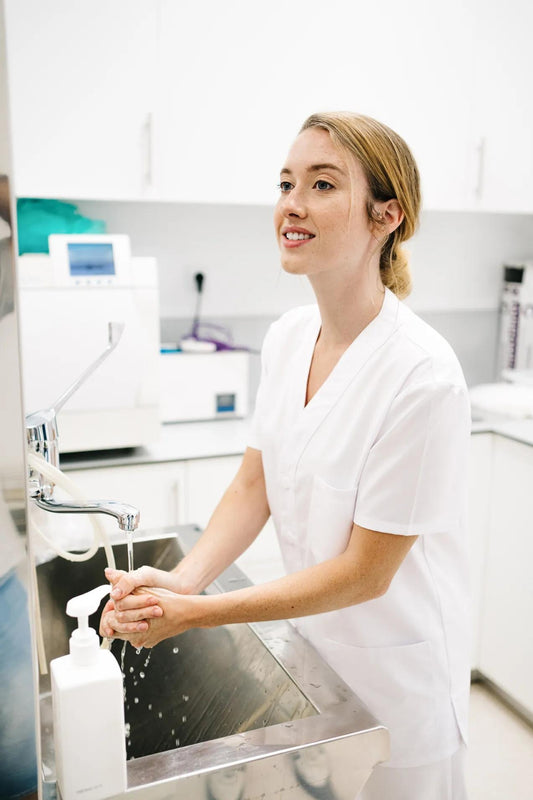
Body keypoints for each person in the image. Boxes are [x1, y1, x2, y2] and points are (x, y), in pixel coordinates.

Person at [100, 112, 471, 800]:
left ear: (385, 215)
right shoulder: (288, 337)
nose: (291, 204)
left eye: (322, 184)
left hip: (398, 686)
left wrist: (199, 613)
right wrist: (185, 581)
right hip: (317, 668)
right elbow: (253, 485)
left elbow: (365, 574)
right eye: (285, 182)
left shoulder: (422, 376)